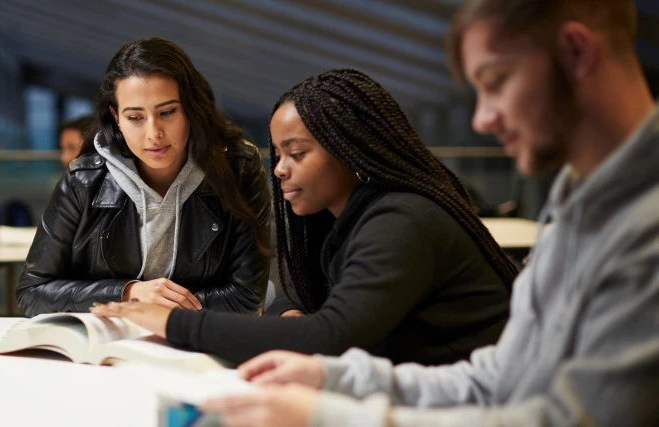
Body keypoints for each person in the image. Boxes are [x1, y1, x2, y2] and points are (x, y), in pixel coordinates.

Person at [199, 1, 659, 425]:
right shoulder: (577, 207)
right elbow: (494, 379)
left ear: (577, 51)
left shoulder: (644, 226)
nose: (482, 119)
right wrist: (329, 378)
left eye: (496, 81)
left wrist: (327, 413)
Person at [91, 69, 515, 366]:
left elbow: (328, 338)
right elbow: (304, 308)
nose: (279, 169)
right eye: (278, 155)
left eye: (296, 154)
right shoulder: (342, 221)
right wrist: (292, 317)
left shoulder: (400, 221)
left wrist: (175, 323)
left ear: (350, 148)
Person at [16, 37, 272, 317]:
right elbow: (32, 293)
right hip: (109, 345)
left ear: (191, 108)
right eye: (135, 117)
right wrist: (128, 293)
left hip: (199, 343)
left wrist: (158, 315)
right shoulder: (84, 179)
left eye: (167, 112)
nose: (154, 134)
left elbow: (245, 299)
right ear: (116, 117)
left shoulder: (238, 167)